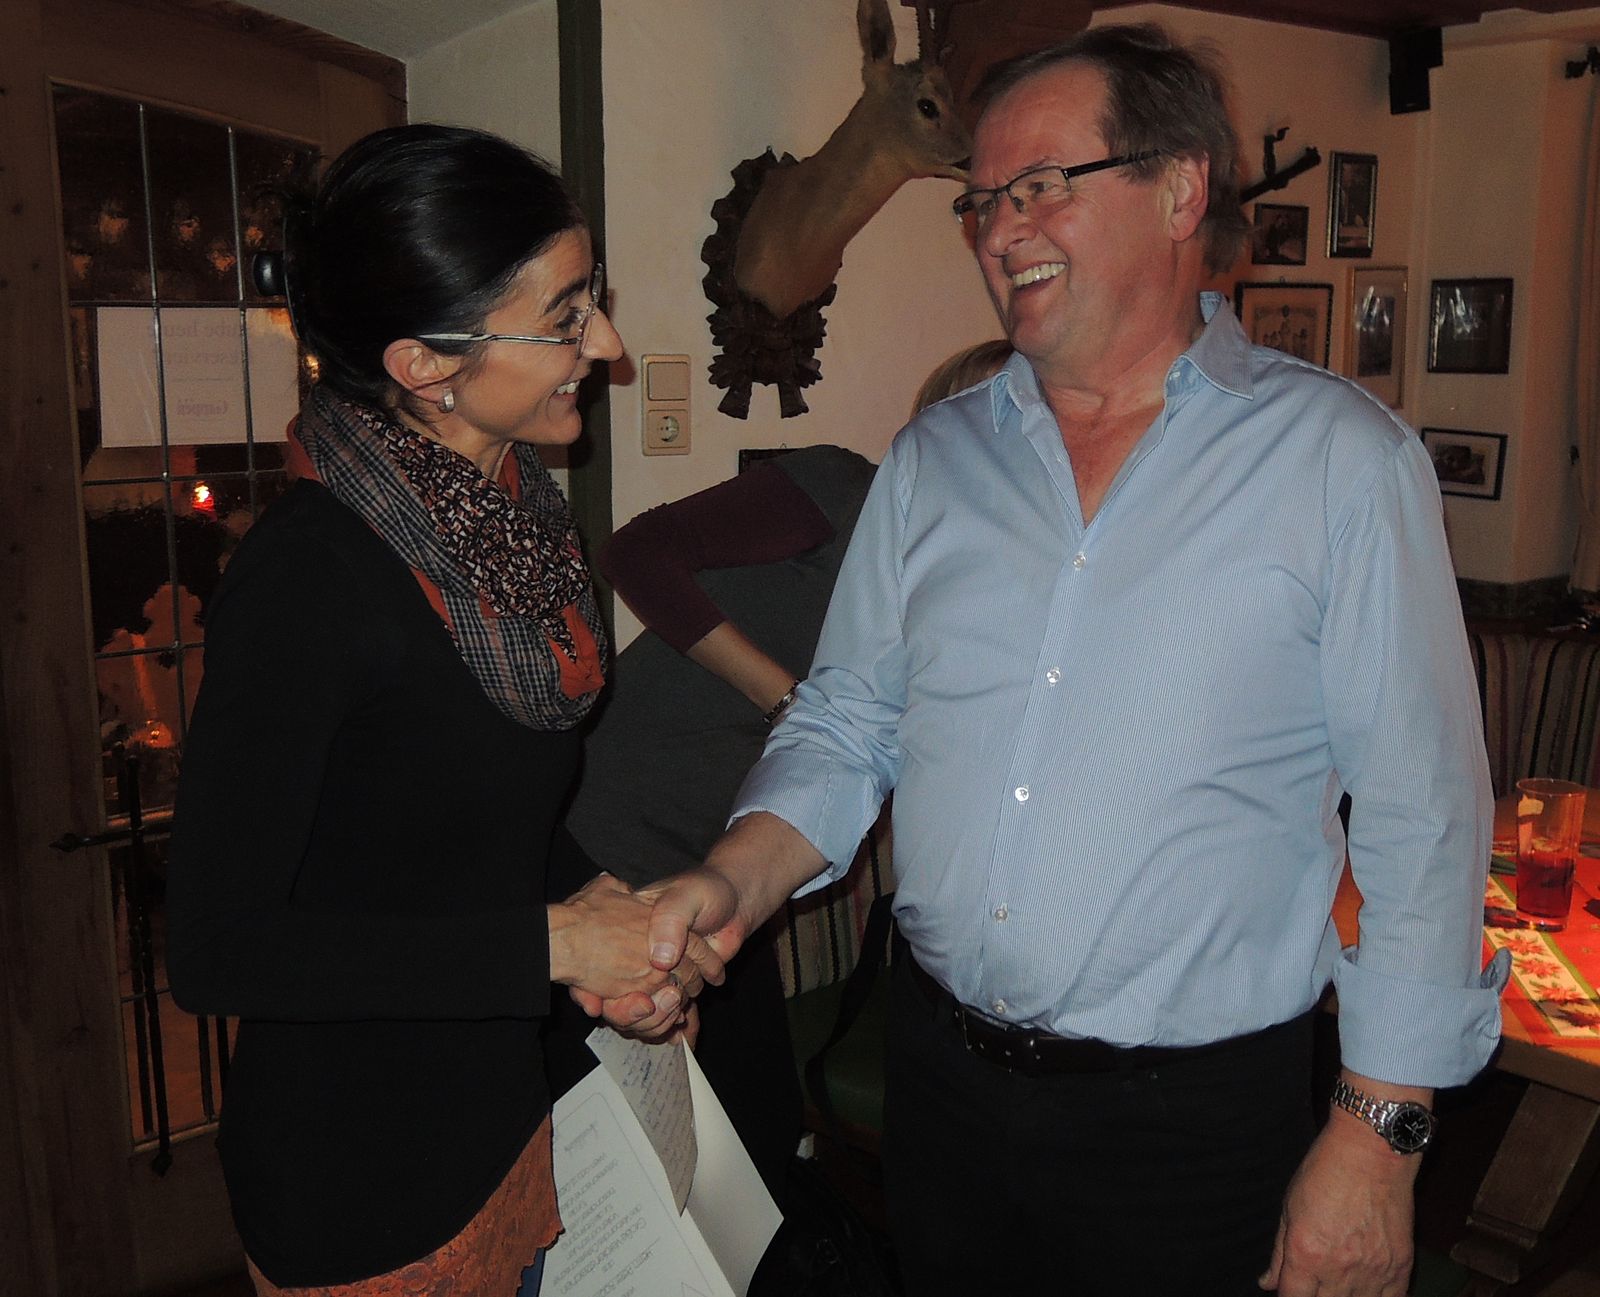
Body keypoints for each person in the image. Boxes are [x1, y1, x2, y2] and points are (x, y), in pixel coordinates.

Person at [627, 25, 1508, 1297]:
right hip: (940, 1081)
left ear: (1178, 189)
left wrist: (1379, 1138)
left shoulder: (1340, 463)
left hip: (1188, 1126)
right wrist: (733, 878)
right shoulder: (934, 459)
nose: (1000, 228)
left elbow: (1425, 818)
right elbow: (851, 719)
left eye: (1040, 185)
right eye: (983, 200)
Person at [165, 125, 718, 1297]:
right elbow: (217, 948)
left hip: (502, 1128)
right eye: (565, 316)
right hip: (361, 1187)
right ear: (424, 365)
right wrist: (552, 943)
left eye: (594, 299)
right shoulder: (307, 577)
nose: (607, 347)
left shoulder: (511, 523)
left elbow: (469, 818)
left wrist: (604, 918)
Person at [563, 344, 1008, 1198]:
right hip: (613, 819)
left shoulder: (977, 587)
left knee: (753, 1131)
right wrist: (786, 698)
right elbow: (635, 551)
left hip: (736, 854)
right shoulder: (841, 489)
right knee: (605, 1134)